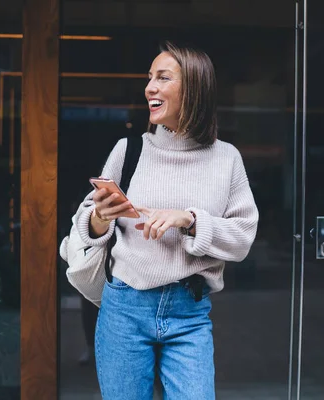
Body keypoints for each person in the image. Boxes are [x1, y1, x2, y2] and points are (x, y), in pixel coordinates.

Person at [70, 41, 259, 399]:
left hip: (189, 313)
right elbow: (88, 220)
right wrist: (99, 217)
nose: (149, 88)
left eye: (163, 78)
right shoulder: (129, 151)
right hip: (124, 310)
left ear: (194, 89)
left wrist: (189, 220)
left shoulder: (226, 159)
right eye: (149, 78)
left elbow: (243, 236)